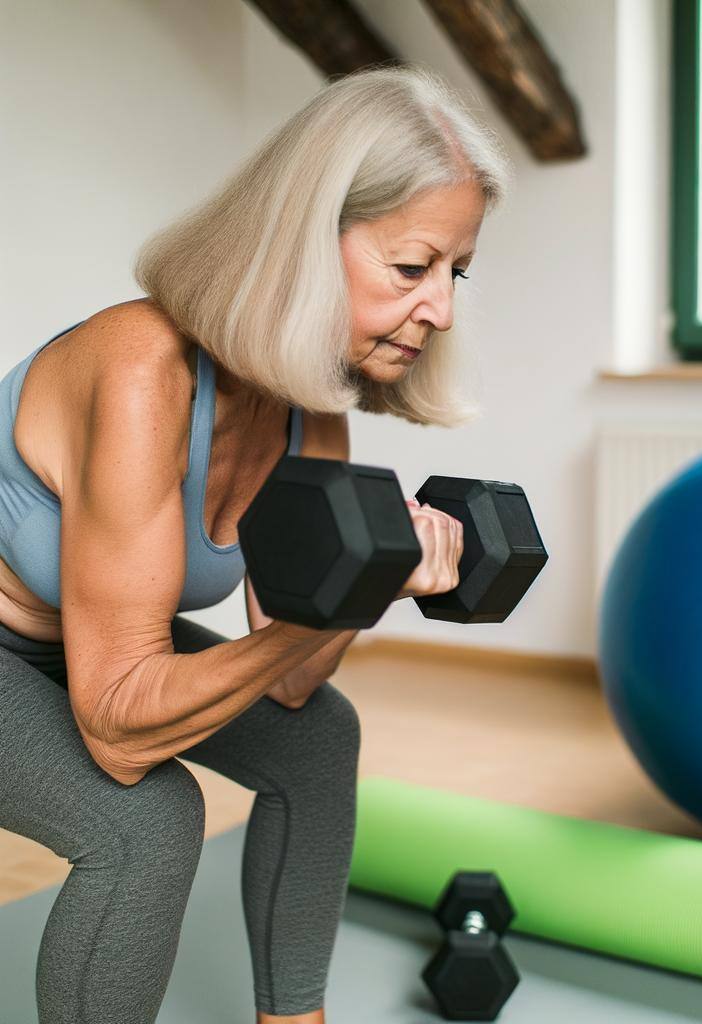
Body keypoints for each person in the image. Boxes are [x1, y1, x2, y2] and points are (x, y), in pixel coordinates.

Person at [0, 63, 513, 1024]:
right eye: (413, 268)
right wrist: (345, 595)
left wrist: (371, 582)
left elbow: (288, 682)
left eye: (457, 272)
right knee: (146, 820)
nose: (442, 309)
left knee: (319, 741)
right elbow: (116, 732)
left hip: (74, 647)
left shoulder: (309, 411)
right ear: (303, 243)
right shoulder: (142, 369)